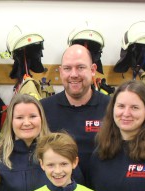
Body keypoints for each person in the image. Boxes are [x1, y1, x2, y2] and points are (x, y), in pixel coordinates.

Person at [41, 44, 110, 176]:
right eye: (67, 68)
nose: (74, 74)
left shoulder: (112, 109)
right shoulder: (43, 109)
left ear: (93, 69)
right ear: (61, 71)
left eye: (80, 67)